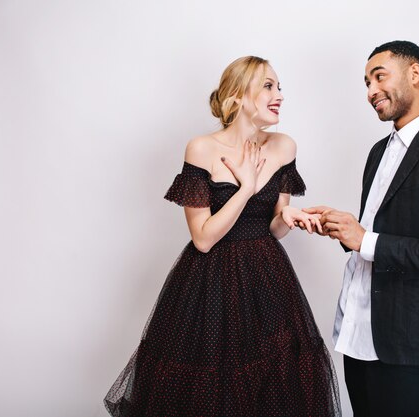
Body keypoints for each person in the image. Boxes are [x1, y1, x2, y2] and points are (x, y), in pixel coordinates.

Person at [103, 56, 341, 416]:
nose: (279, 95)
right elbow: (203, 238)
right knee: (212, 387)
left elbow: (273, 227)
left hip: (267, 278)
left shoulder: (283, 147)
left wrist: (287, 217)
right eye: (268, 86)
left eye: (279, 87)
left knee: (273, 384)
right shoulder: (201, 148)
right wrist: (245, 188)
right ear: (237, 96)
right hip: (209, 281)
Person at [304, 41, 419, 417]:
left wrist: (364, 239)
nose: (370, 91)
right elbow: (374, 231)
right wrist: (341, 229)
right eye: (366, 82)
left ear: (415, 74)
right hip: (356, 333)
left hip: (406, 343)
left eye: (379, 77)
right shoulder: (377, 152)